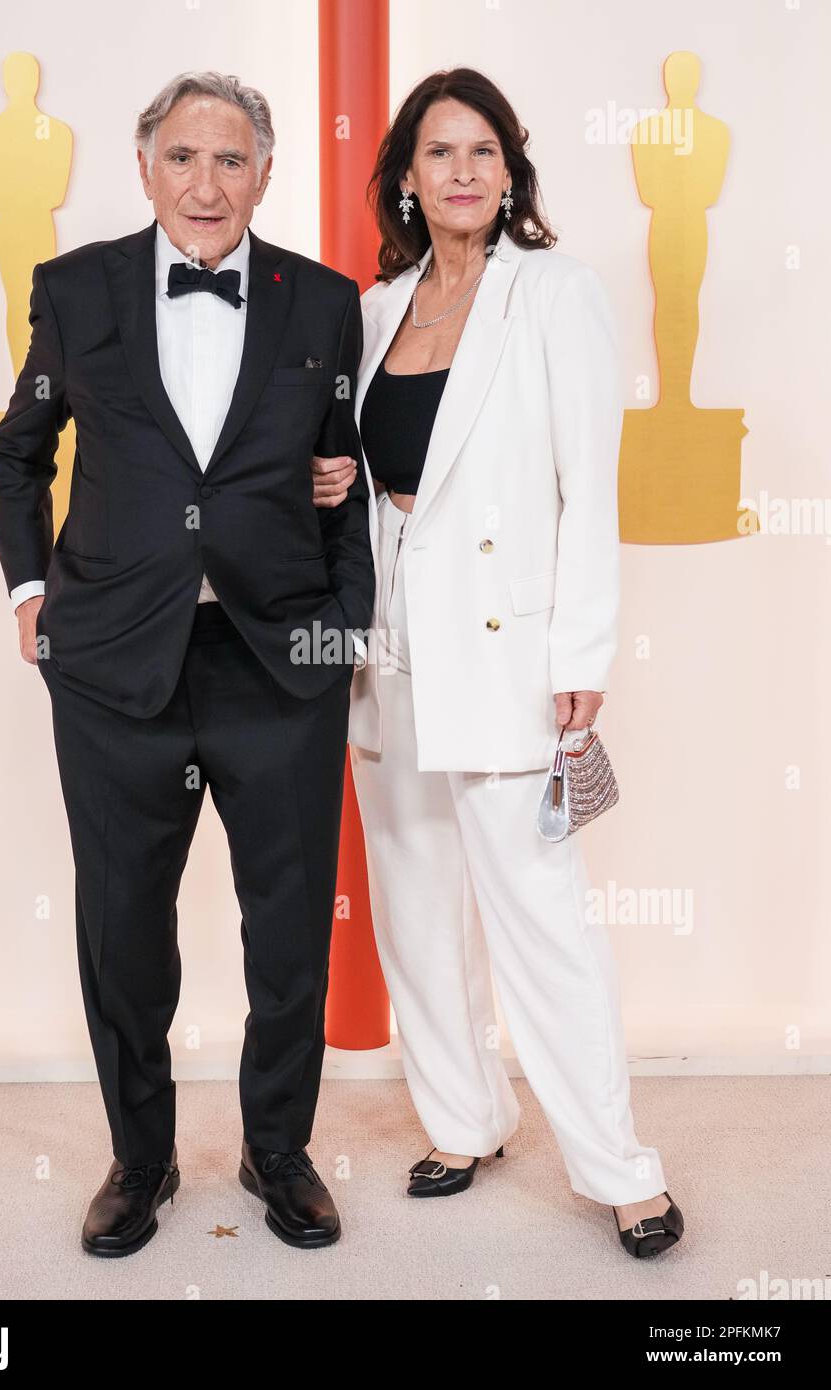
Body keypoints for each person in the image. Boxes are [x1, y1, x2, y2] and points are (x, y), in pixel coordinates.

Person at [0, 70, 373, 1256]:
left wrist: (346, 625)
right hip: (111, 661)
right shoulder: (74, 289)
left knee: (289, 920)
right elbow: (18, 454)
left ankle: (278, 1148)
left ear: (267, 171)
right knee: (123, 926)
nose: (207, 184)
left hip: (277, 656)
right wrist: (32, 593)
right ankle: (140, 1160)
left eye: (233, 159)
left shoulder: (321, 300)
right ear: (144, 166)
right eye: (183, 159)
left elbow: (342, 468)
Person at [312, 67, 684, 1258]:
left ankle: (620, 1169)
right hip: (392, 643)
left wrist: (580, 649)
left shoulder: (555, 295)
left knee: (541, 918)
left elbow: (587, 484)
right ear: (406, 180)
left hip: (509, 648)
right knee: (414, 906)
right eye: (437, 153)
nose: (461, 171)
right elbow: (365, 474)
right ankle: (464, 1119)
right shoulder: (375, 310)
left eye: (482, 151)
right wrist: (332, 487)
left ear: (508, 170)